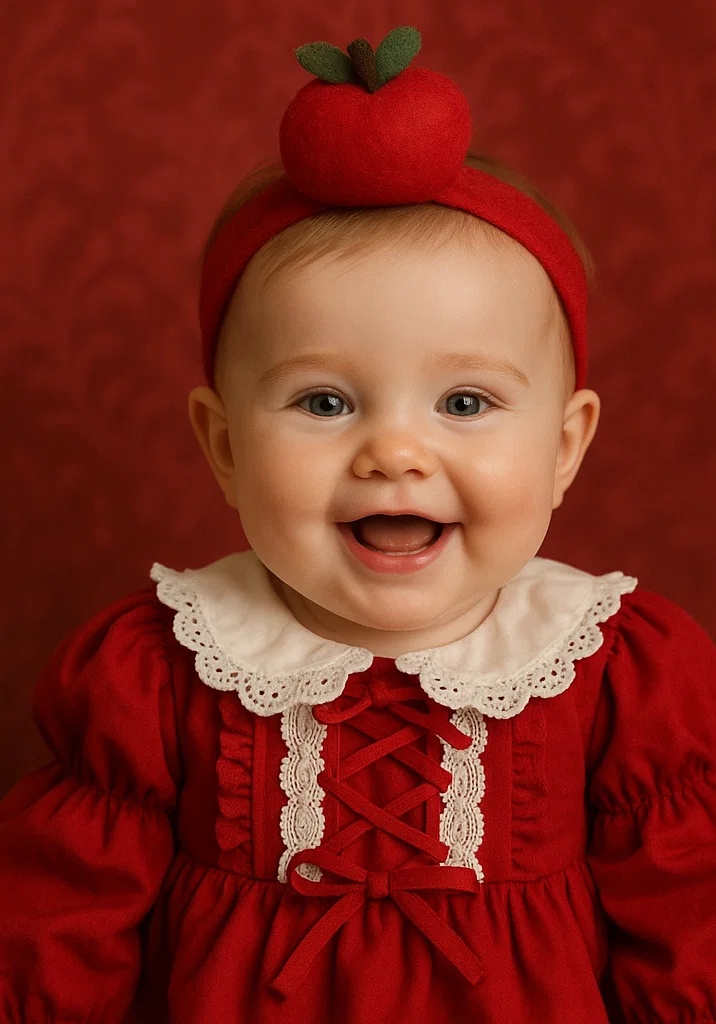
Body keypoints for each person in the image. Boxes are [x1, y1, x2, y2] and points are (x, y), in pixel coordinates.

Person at [0, 25, 714, 1024]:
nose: (394, 452)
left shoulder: (621, 676)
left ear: (563, 445)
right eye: (325, 402)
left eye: (463, 402)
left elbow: (689, 927)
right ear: (223, 445)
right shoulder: (155, 672)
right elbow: (54, 932)